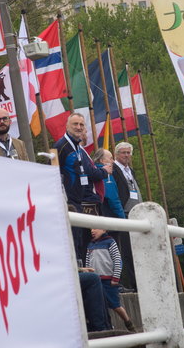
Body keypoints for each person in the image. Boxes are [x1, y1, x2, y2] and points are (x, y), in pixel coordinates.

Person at [54, 113, 111, 261]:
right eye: (75, 124)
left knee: (81, 241)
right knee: (74, 241)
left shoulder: (77, 146)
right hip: (68, 203)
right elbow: (52, 173)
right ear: (67, 126)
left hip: (79, 201)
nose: (78, 127)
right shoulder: (61, 146)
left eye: (81, 125)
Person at [86, 228, 136, 332]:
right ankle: (108, 326)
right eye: (91, 228)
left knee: (115, 305)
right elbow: (87, 263)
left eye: (95, 228)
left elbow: (117, 260)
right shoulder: (90, 245)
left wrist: (115, 278)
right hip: (95, 281)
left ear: (104, 229)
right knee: (101, 305)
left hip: (109, 281)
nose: (92, 230)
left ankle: (128, 323)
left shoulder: (110, 242)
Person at [112, 142, 142, 290]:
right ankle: (132, 284)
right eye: (123, 152)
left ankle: (139, 282)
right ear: (116, 154)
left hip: (135, 213)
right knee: (126, 251)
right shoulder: (114, 169)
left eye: (128, 152)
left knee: (137, 250)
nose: (126, 155)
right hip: (123, 214)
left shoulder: (130, 170)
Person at [93, 148, 125, 219]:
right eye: (111, 158)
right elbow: (113, 199)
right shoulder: (106, 175)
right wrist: (122, 218)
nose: (113, 161)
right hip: (110, 217)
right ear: (102, 161)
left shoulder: (93, 172)